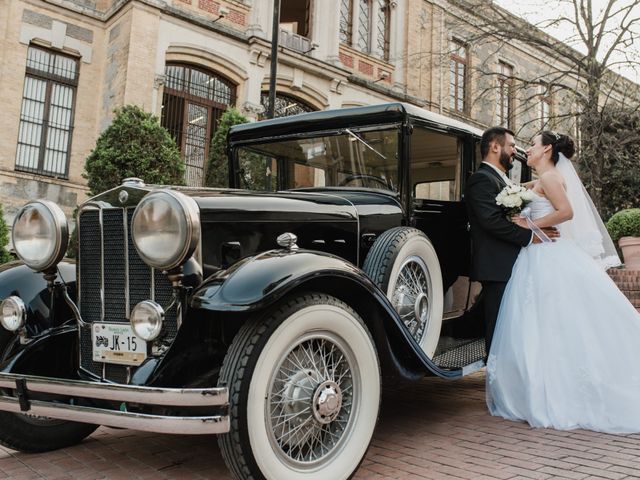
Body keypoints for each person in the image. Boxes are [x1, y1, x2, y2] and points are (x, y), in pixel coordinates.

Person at [487, 131, 640, 433]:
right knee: (544, 325)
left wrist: (530, 223)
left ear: (546, 149)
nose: (527, 150)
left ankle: (559, 392)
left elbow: (566, 212)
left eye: (532, 144)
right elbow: (524, 196)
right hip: (536, 256)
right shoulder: (542, 178)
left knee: (555, 323)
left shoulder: (552, 178)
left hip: (549, 258)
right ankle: (543, 385)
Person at [465, 127, 551, 355]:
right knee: (499, 329)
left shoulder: (500, 179)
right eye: (511, 145)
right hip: (497, 266)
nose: (515, 151)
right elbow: (491, 221)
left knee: (511, 328)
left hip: (511, 265)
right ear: (495, 146)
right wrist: (531, 237)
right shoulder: (481, 179)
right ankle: (496, 383)